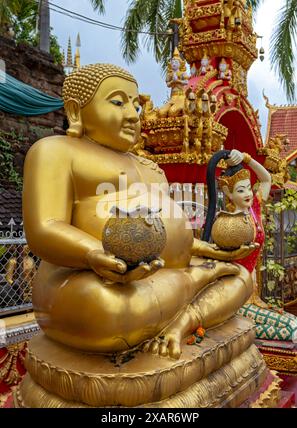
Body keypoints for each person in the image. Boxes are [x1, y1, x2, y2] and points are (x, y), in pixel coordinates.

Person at [23, 63, 255, 358]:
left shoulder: (150, 167)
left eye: (136, 106)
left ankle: (184, 321)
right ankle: (197, 282)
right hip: (88, 277)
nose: (133, 115)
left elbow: (164, 232)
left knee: (240, 278)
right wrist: (96, 254)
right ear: (75, 111)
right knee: (107, 308)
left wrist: (209, 250)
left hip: (157, 275)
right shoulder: (56, 151)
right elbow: (45, 226)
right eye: (118, 102)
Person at [218, 150, 297, 342]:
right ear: (228, 193)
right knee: (291, 328)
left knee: (295, 324)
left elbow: (265, 179)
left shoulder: (253, 207)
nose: (247, 194)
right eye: (240, 190)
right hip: (238, 295)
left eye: (248, 188)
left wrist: (247, 158)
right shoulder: (227, 223)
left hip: (253, 293)